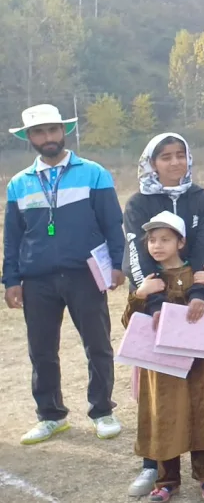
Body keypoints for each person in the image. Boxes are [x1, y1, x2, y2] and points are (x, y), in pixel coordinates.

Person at [122, 133, 204, 496]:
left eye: (180, 156)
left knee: (200, 381)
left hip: (194, 304)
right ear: (151, 162)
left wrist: (202, 293)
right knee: (157, 389)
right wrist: (156, 304)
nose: (174, 163)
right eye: (165, 157)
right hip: (154, 301)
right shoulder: (138, 203)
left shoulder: (200, 199)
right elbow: (138, 256)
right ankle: (153, 465)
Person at [4, 104, 126, 446]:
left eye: (53, 130)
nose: (48, 138)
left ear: (64, 131)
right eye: (40, 133)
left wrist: (117, 264)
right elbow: (13, 237)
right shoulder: (18, 184)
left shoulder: (94, 173)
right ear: (30, 138)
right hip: (37, 279)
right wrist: (11, 279)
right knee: (41, 350)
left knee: (98, 344)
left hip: (85, 275)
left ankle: (102, 410)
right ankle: (50, 416)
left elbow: (112, 224)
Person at [125, 211, 204, 503]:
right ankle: (167, 480)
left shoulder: (196, 275)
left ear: (181, 242)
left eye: (165, 239)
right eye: (152, 240)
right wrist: (140, 296)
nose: (157, 245)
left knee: (201, 416)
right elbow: (129, 322)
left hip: (195, 366)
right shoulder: (147, 280)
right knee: (163, 420)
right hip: (159, 371)